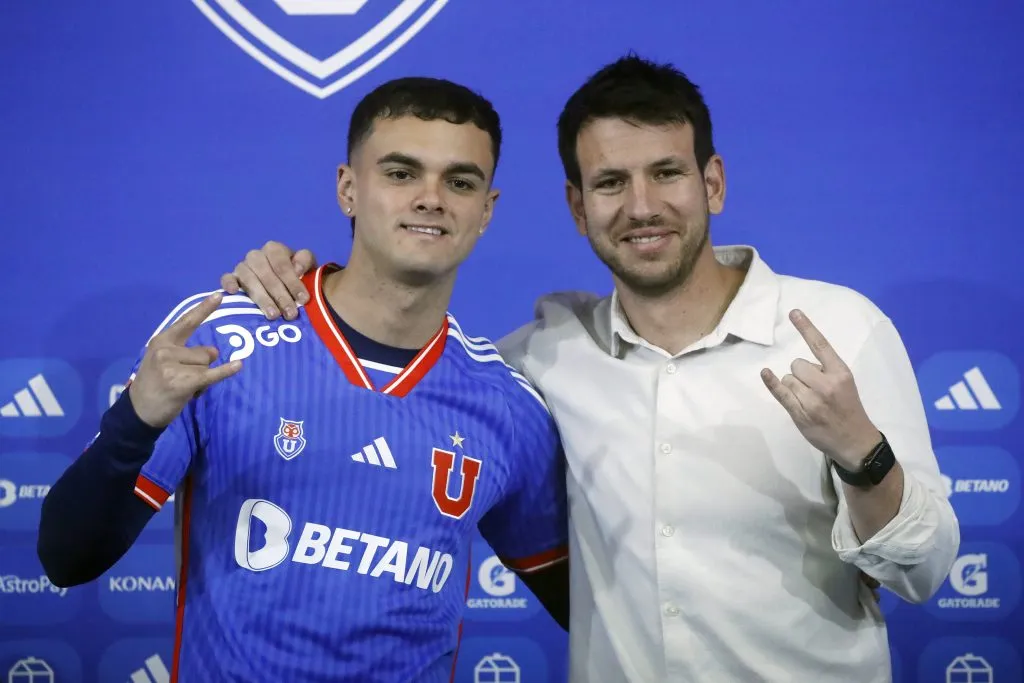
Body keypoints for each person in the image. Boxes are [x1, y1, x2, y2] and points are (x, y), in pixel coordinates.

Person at [223, 55, 960, 682]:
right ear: (578, 207)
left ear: (714, 183)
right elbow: (392, 352)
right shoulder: (536, 363)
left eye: (667, 173)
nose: (641, 206)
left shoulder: (836, 330)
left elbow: (924, 573)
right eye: (610, 183)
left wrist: (864, 457)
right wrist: (283, 278)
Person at [36, 77, 570, 683]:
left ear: (487, 210)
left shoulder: (507, 404)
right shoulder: (227, 336)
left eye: (461, 181)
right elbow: (66, 558)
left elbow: (605, 614)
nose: (431, 198)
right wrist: (133, 422)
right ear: (348, 188)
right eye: (400, 173)